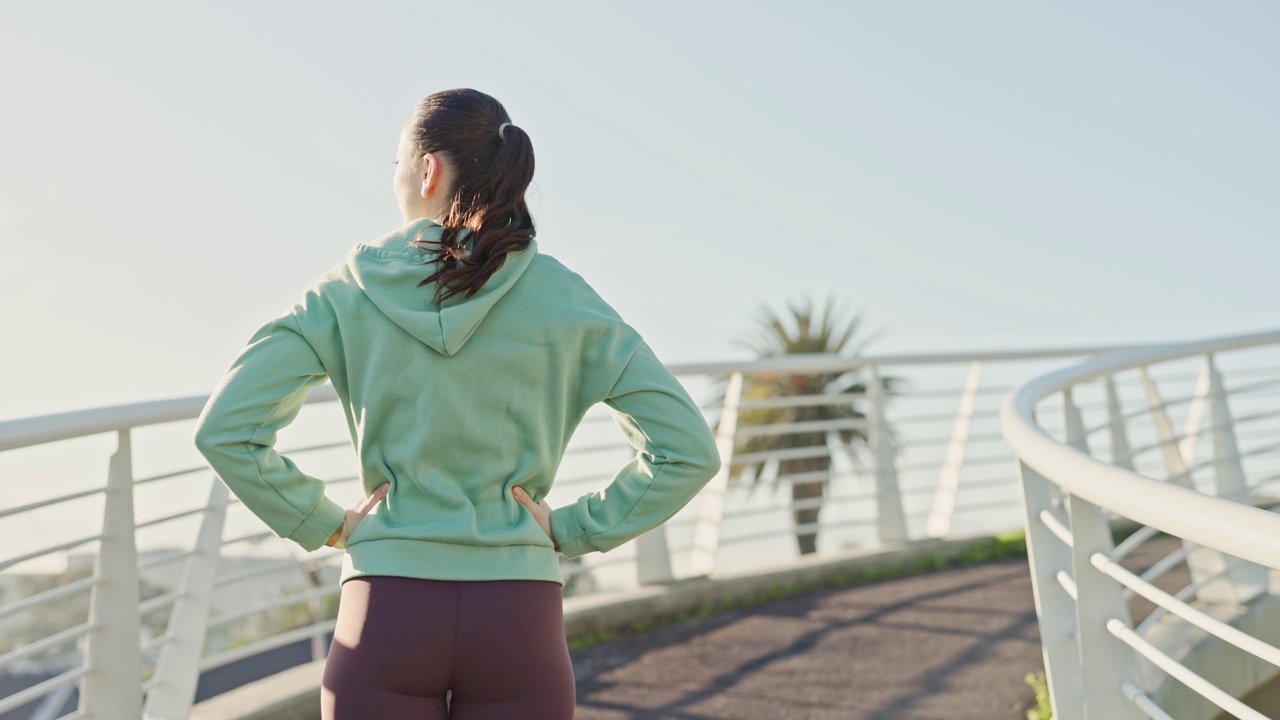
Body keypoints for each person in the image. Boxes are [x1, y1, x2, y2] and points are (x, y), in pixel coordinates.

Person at [192, 88, 722, 720]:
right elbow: (687, 449)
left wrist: (325, 522)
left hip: (384, 612)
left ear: (426, 169)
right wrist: (576, 528)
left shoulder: (343, 294)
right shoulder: (566, 298)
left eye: (394, 161)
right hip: (519, 616)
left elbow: (227, 428)